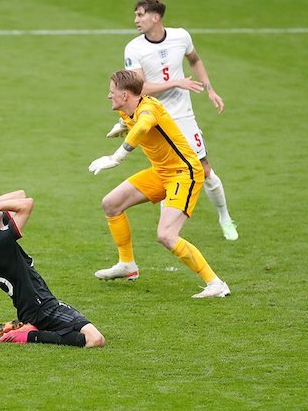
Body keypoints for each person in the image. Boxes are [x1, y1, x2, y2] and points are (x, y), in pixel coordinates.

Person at [89, 69, 230, 299]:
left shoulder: (147, 109)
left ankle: (216, 283)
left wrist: (116, 158)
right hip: (161, 172)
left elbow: (144, 126)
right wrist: (123, 126)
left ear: (125, 95)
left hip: (184, 174)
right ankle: (127, 265)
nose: (108, 96)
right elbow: (136, 124)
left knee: (167, 235)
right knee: (111, 203)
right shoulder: (129, 110)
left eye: (112, 92)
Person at [118, 0, 238, 241]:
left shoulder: (181, 36)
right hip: (154, 121)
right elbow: (138, 89)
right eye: (135, 15)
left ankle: (225, 217)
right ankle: (169, 232)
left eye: (140, 15)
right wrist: (176, 82)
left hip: (183, 117)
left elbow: (194, 59)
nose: (136, 20)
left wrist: (210, 89)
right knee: (166, 172)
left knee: (204, 170)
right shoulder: (134, 48)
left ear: (156, 17)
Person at [0, 190, 105, 348]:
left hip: (33, 308)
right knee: (95, 339)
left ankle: (30, 325)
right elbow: (27, 204)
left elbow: (20, 195)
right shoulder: (0, 242)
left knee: (83, 332)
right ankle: (30, 335)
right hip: (43, 308)